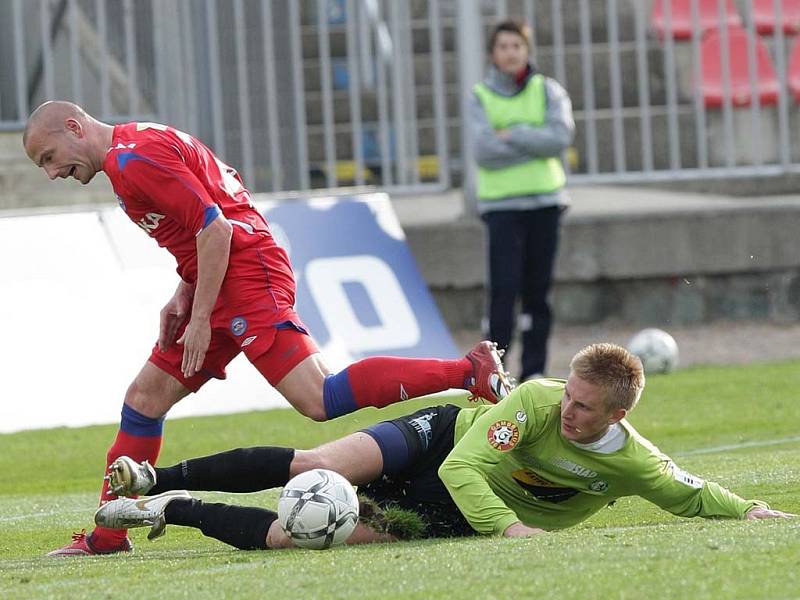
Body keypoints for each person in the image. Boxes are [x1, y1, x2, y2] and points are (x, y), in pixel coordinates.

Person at [23, 101, 514, 556]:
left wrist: (199, 316)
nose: (50, 172)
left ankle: (467, 371)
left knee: (319, 397)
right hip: (220, 277)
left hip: (244, 272)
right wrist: (185, 290)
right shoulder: (136, 146)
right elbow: (212, 207)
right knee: (143, 401)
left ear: (74, 127)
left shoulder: (136, 161)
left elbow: (216, 228)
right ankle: (108, 536)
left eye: (49, 156)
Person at [95, 343, 794, 551]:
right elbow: (464, 467)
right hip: (438, 443)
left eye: (582, 407)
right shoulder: (533, 401)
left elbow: (687, 491)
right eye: (567, 394)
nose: (565, 408)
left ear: (617, 413)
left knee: (297, 536)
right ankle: (153, 473)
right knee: (318, 465)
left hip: (453, 516)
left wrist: (750, 511)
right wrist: (511, 526)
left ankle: (174, 508)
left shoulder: (631, 461)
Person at [470, 18, 575, 381]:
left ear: (527, 50)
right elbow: (484, 151)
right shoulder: (480, 96)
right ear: (492, 54)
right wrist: (534, 141)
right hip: (502, 207)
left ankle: (534, 373)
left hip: (545, 202)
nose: (511, 52)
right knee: (503, 291)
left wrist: (511, 134)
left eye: (517, 45)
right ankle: (494, 373)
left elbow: (559, 138)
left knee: (538, 293)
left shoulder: (548, 91)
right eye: (503, 46)